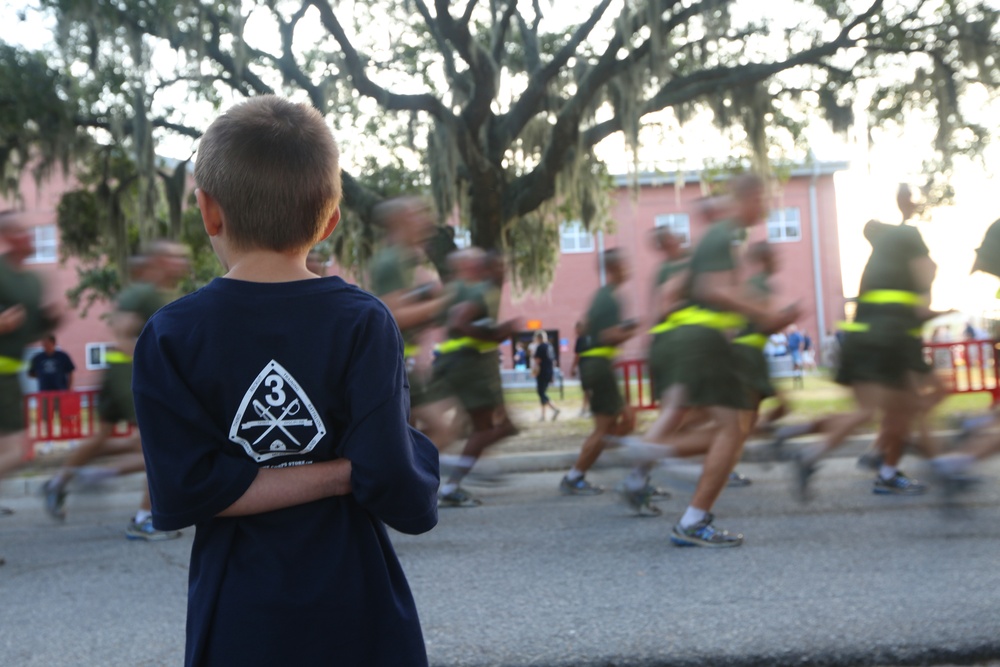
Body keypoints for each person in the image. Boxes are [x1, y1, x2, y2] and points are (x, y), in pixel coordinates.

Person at [132, 96, 439, 667]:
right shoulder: (364, 321)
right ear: (329, 221)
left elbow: (188, 489)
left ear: (208, 211)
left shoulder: (171, 334)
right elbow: (398, 484)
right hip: (357, 611)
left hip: (240, 619)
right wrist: (352, 468)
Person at [42, 242, 190, 537]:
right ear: (156, 262)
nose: (180, 263)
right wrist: (153, 361)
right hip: (128, 373)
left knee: (103, 438)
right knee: (157, 443)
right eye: (173, 257)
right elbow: (122, 333)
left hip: (118, 372)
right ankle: (144, 518)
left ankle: (61, 481)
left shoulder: (158, 294)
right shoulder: (143, 291)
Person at [431, 248, 520, 507]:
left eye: (504, 267)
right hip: (470, 367)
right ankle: (450, 480)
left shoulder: (461, 289)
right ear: (481, 269)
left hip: (465, 365)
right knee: (489, 429)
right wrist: (500, 332)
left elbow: (446, 321)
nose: (503, 272)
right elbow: (459, 323)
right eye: (496, 267)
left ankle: (448, 472)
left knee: (479, 427)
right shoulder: (480, 291)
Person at [369, 196, 456, 450]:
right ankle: (410, 482)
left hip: (409, 364)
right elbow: (394, 314)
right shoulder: (391, 262)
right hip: (398, 365)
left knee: (409, 437)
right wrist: (443, 302)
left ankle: (407, 481)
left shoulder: (408, 261)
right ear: (401, 221)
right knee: (441, 431)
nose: (425, 221)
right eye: (417, 214)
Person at [560, 248, 638, 496]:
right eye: (625, 265)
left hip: (596, 366)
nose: (629, 270)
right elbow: (608, 336)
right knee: (608, 426)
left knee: (625, 419)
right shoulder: (610, 298)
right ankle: (576, 475)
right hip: (599, 366)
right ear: (615, 268)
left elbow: (584, 328)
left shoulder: (602, 296)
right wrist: (635, 328)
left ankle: (592, 464)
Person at [0, 212, 59, 519]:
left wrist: (51, 319)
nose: (30, 237)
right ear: (7, 237)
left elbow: (31, 330)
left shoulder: (33, 282)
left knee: (12, 451)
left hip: (10, 373)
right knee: (15, 451)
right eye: (21, 232)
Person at [532, 330, 560, 421]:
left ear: (538, 338)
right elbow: (553, 361)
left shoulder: (540, 347)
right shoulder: (550, 346)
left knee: (541, 392)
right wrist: (552, 374)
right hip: (549, 372)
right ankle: (543, 415)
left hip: (542, 372)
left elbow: (537, 360)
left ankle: (554, 409)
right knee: (542, 392)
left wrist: (534, 371)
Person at [569, 319, 592, 417]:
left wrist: (573, 368)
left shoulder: (580, 339)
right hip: (593, 366)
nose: (575, 331)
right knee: (590, 389)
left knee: (587, 389)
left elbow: (577, 355)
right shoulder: (591, 337)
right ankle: (586, 408)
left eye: (576, 329)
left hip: (585, 367)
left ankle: (587, 409)